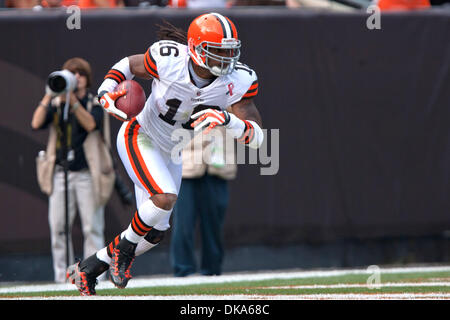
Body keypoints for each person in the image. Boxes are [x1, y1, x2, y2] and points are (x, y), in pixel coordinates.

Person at [66, 12, 264, 296]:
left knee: (156, 232)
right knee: (165, 197)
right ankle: (123, 251)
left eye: (229, 52)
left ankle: (89, 268)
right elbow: (128, 65)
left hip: (172, 151)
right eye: (217, 51)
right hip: (141, 136)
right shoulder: (169, 59)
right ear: (196, 48)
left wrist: (229, 121)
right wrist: (106, 89)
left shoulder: (239, 79)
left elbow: (257, 138)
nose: (225, 59)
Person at [31, 57, 110, 283]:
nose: (76, 78)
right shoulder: (56, 104)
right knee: (58, 228)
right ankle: (63, 277)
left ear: (87, 78)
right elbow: (36, 123)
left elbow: (91, 124)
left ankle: (94, 275)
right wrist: (50, 93)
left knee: (92, 227)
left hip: (87, 174)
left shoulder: (94, 102)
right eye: (70, 74)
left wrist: (73, 100)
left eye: (80, 74)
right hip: (60, 173)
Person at [170, 126, 237, 277]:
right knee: (183, 223)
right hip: (187, 166)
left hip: (218, 167)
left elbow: (242, 117)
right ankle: (184, 270)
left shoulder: (230, 101)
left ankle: (212, 271)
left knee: (214, 225)